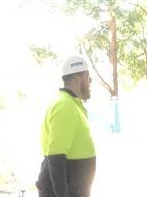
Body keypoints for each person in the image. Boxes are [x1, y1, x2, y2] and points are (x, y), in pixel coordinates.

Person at [36, 54, 96, 197]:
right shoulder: (64, 106)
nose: (90, 82)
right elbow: (56, 158)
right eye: (88, 78)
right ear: (77, 79)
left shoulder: (72, 104)